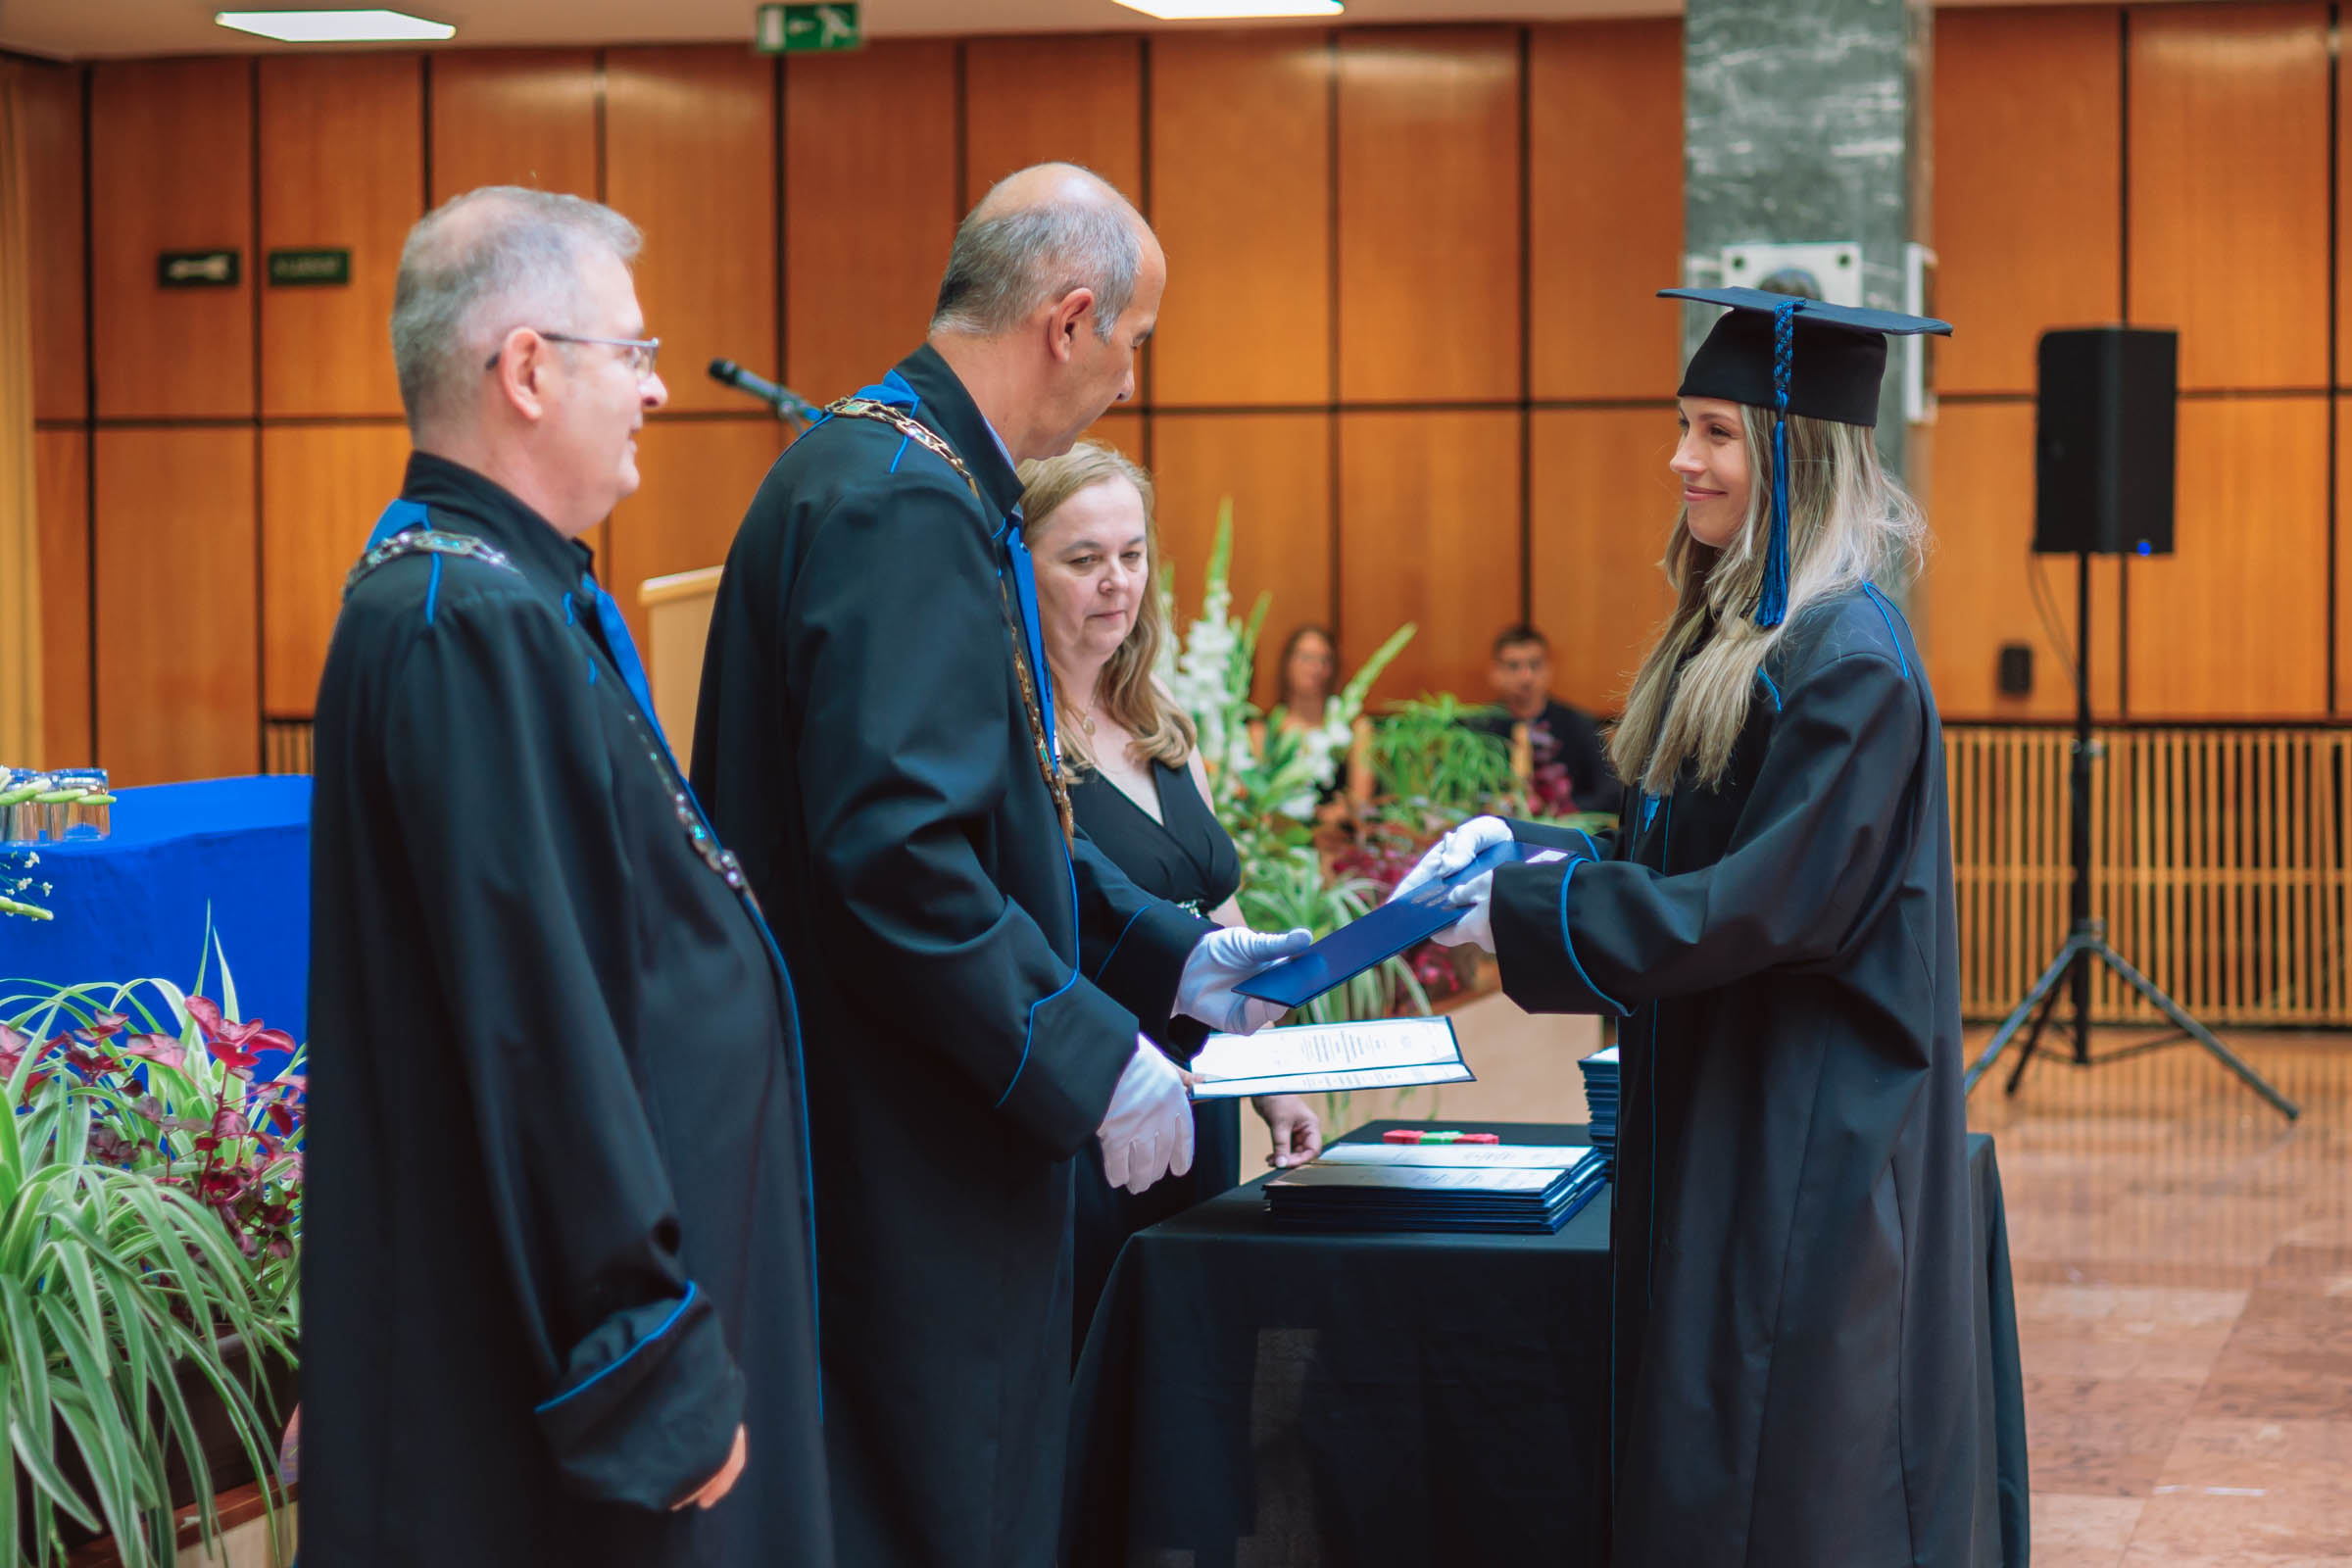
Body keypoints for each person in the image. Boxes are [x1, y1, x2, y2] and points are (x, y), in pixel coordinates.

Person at [689, 164, 1308, 1568]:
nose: (1130, 379)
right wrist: (1090, 1055)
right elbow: (901, 860)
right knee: (945, 1509)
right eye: (1133, 340)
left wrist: (1177, 960)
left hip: (903, 1115)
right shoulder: (903, 504)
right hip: (907, 1142)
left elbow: (998, 820)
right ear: (1069, 320)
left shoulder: (898, 471)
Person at [1395, 287, 1979, 1565]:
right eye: (1682, 425)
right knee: (1711, 1449)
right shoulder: (1748, 634)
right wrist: (1526, 851)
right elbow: (1681, 855)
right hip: (1727, 1103)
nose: (1681, 459)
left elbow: (1758, 907)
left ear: (1795, 456)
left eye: (1716, 432)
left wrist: (1524, 909)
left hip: (1804, 1133)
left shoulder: (1849, 661)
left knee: (1778, 1477)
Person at [306, 187, 830, 1565]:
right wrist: (648, 1358)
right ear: (529, 370)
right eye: (633, 352)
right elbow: (539, 1023)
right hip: (551, 1396)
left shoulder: (500, 595)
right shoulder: (464, 621)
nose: (658, 389)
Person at [1016, 441, 1323, 1351]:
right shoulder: (1014, 738)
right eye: (1084, 559)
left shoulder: (1158, 719)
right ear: (1018, 568)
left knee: (1190, 1359)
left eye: (1133, 553)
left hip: (1203, 1095)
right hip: (1097, 1106)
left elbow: (1217, 915)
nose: (1117, 581)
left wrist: (1277, 1080)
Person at [1463, 623, 1624, 818]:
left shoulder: (1578, 725)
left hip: (1562, 827)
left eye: (1535, 665)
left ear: (1548, 670)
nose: (1526, 677)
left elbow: (1611, 794)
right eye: (1513, 666)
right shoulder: (1477, 729)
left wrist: (1558, 810)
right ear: (1495, 673)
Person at [1255, 623, 1373, 826]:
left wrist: (1336, 814)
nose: (1315, 668)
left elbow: (1361, 802)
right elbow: (1257, 801)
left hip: (1336, 835)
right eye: (1306, 658)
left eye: (1324, 660)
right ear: (1288, 663)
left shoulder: (1354, 728)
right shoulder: (1263, 730)